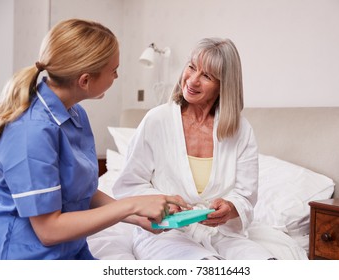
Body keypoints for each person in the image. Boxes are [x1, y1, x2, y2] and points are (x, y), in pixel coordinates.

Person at [0, 19, 188, 260]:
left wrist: (137, 217)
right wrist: (131, 205)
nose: (117, 76)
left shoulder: (75, 114)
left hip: (72, 250)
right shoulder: (31, 132)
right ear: (85, 80)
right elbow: (49, 230)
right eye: (113, 70)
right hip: (24, 258)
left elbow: (81, 192)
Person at [112, 38, 275, 260]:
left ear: (223, 85)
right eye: (191, 67)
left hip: (223, 234)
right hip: (166, 232)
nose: (192, 80)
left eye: (206, 76)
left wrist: (230, 206)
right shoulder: (157, 120)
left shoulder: (240, 130)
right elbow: (128, 185)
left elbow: (246, 195)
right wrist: (164, 202)